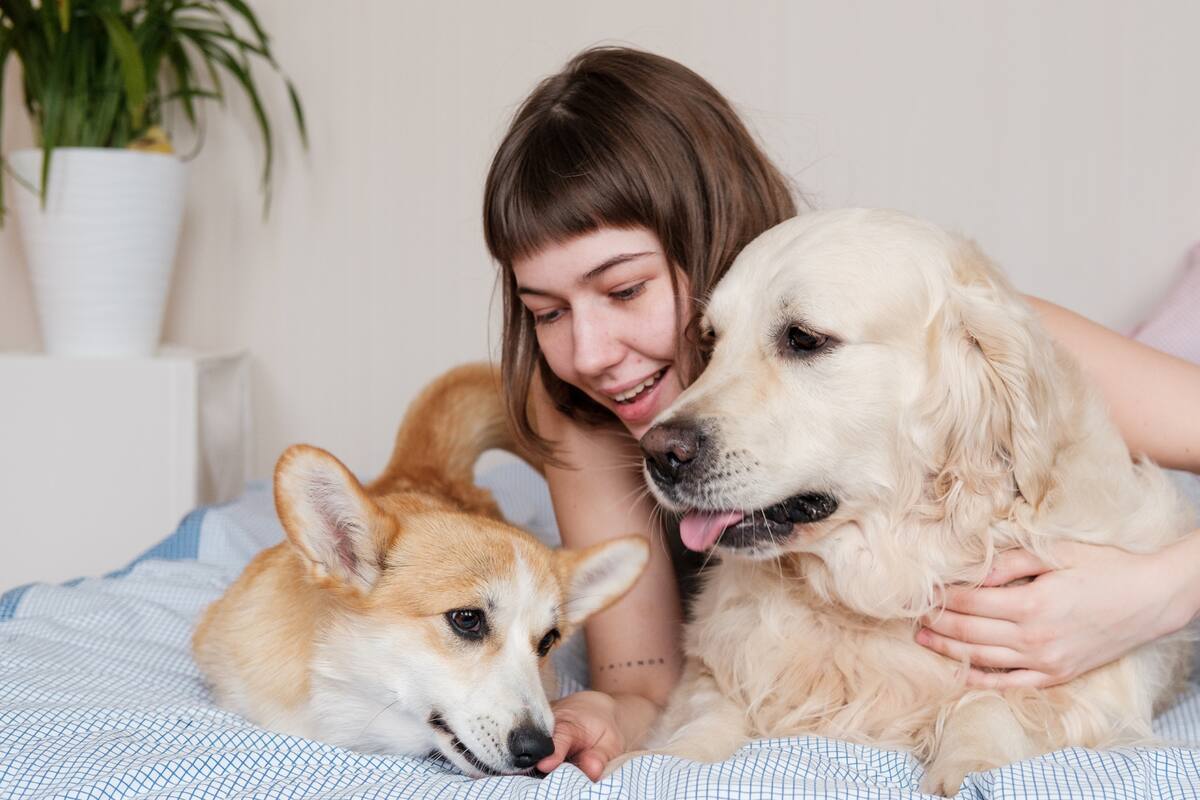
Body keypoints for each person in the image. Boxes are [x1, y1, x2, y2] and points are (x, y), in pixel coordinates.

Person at [481, 46, 1200, 780]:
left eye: (625, 289)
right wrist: (606, 713)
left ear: (710, 237)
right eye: (546, 312)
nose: (592, 351)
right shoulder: (583, 404)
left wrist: (1158, 593)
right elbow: (642, 677)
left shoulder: (969, 327)